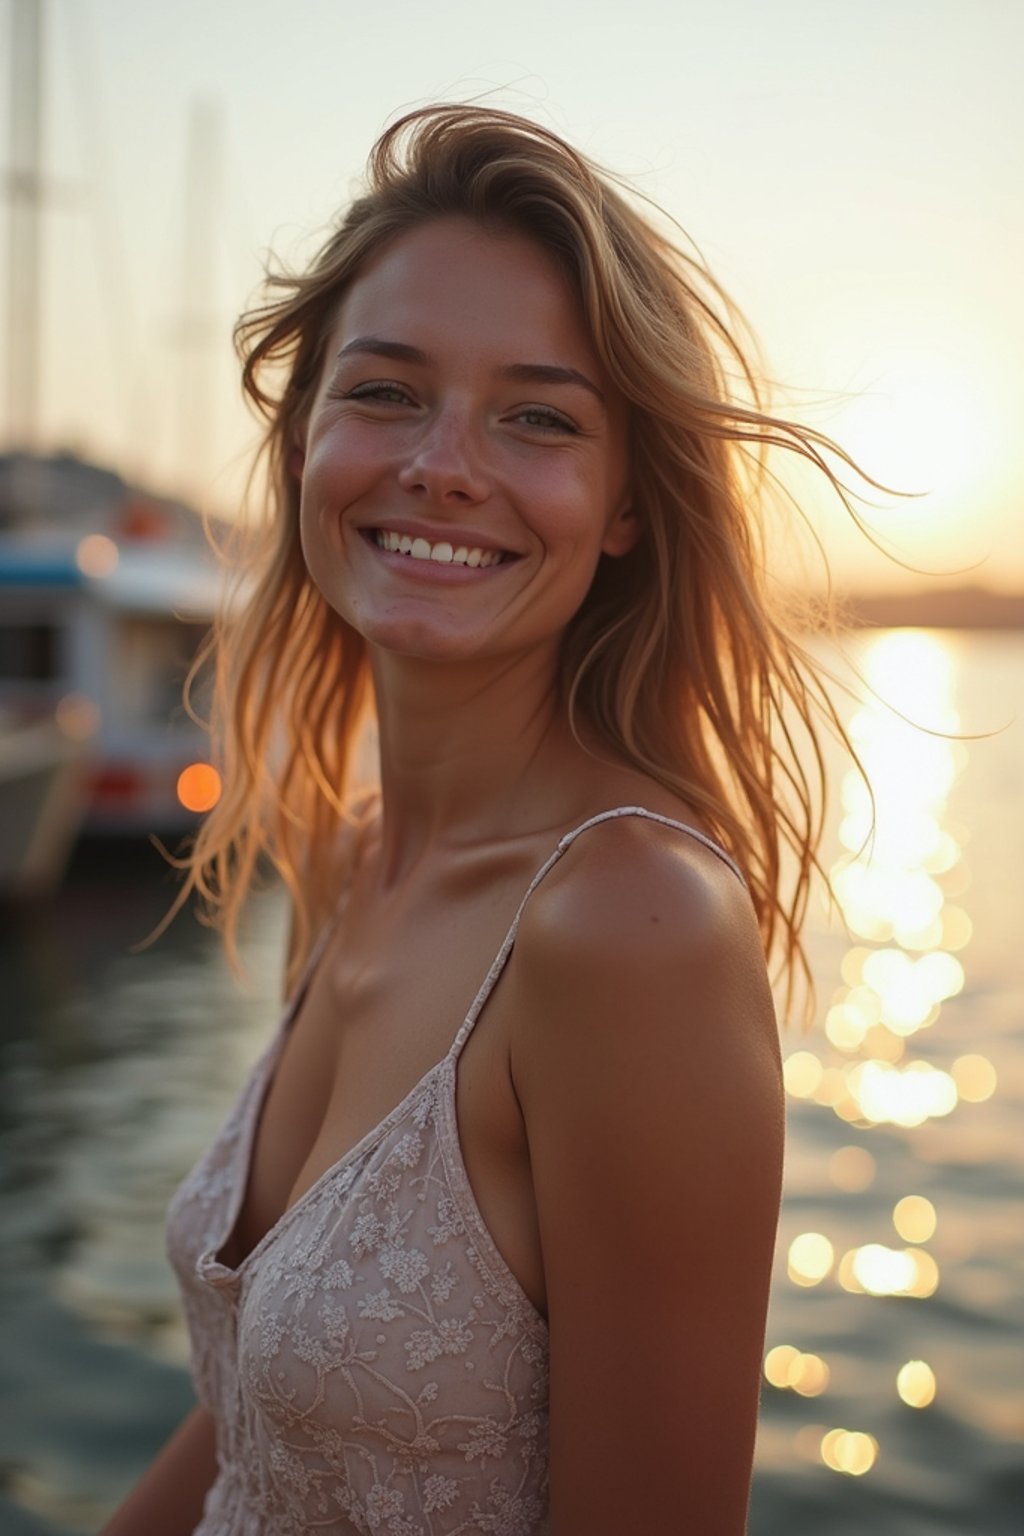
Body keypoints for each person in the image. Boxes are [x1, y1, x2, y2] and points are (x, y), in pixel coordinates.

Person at [103, 104, 864, 1535]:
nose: (445, 463)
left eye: (538, 417)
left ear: (625, 503)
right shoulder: (351, 856)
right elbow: (260, 1432)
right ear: (306, 434)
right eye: (385, 391)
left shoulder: (628, 931)